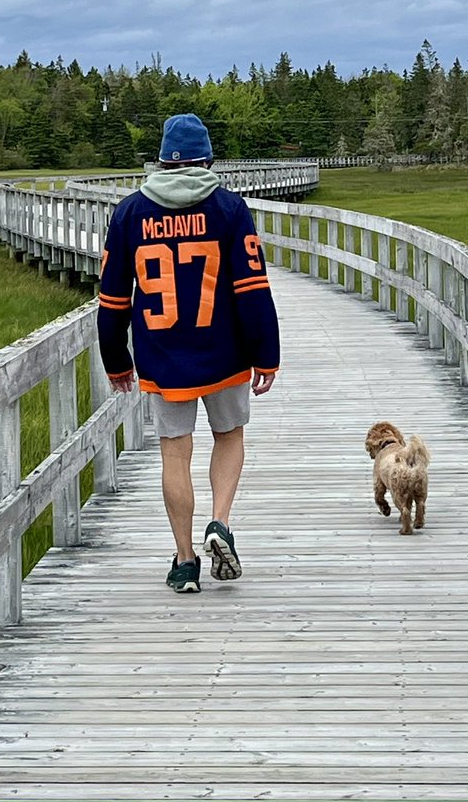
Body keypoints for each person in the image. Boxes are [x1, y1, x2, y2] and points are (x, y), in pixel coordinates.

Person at [97, 113, 280, 593]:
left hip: (163, 356)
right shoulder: (228, 209)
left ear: (160, 160)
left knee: (174, 456)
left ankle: (184, 561)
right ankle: (220, 522)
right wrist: (267, 354)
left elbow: (113, 299)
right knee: (229, 436)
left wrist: (116, 360)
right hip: (227, 352)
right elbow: (253, 287)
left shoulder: (130, 213)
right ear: (207, 159)